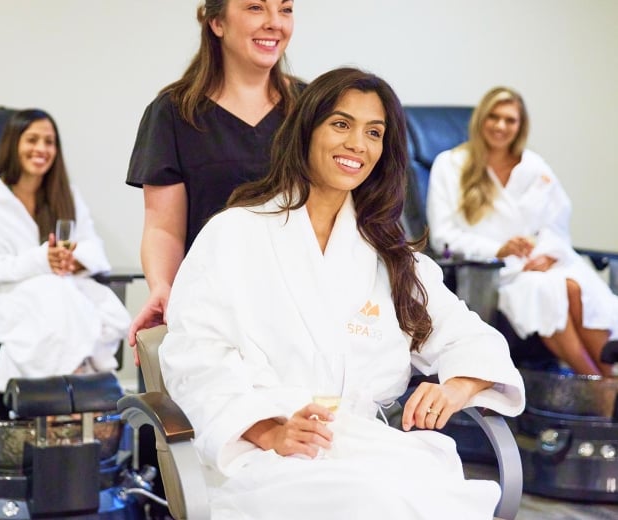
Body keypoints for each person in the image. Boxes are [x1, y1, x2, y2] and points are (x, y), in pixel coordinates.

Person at [158, 68, 525, 519]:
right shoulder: (234, 234)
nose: (358, 144)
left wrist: (457, 386)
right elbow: (195, 357)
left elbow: (472, 338)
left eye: (374, 132)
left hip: (364, 447)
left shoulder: (388, 255)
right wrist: (267, 429)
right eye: (341, 124)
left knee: (425, 497)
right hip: (262, 458)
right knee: (371, 504)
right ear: (307, 130)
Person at [125, 0, 301, 349]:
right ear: (216, 22)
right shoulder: (174, 113)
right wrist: (163, 286)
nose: (274, 23)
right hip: (214, 312)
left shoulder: (310, 108)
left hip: (297, 308)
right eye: (255, 8)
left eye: (285, 9)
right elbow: (163, 228)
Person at [427, 87, 618, 377]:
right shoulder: (451, 165)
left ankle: (606, 383)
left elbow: (556, 223)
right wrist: (497, 250)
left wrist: (549, 254)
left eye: (510, 120)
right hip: (494, 274)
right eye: (494, 117)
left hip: (542, 264)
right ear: (480, 119)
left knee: (574, 287)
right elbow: (443, 236)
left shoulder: (534, 166)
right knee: (548, 291)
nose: (501, 126)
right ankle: (604, 389)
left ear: (520, 125)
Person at [0, 109, 131, 392]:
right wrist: (42, 260)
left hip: (51, 287)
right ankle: (62, 395)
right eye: (32, 140)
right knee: (53, 300)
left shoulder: (64, 194)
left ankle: (76, 393)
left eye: (49, 141)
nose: (41, 149)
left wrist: (73, 260)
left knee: (108, 308)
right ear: (13, 144)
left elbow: (93, 248)